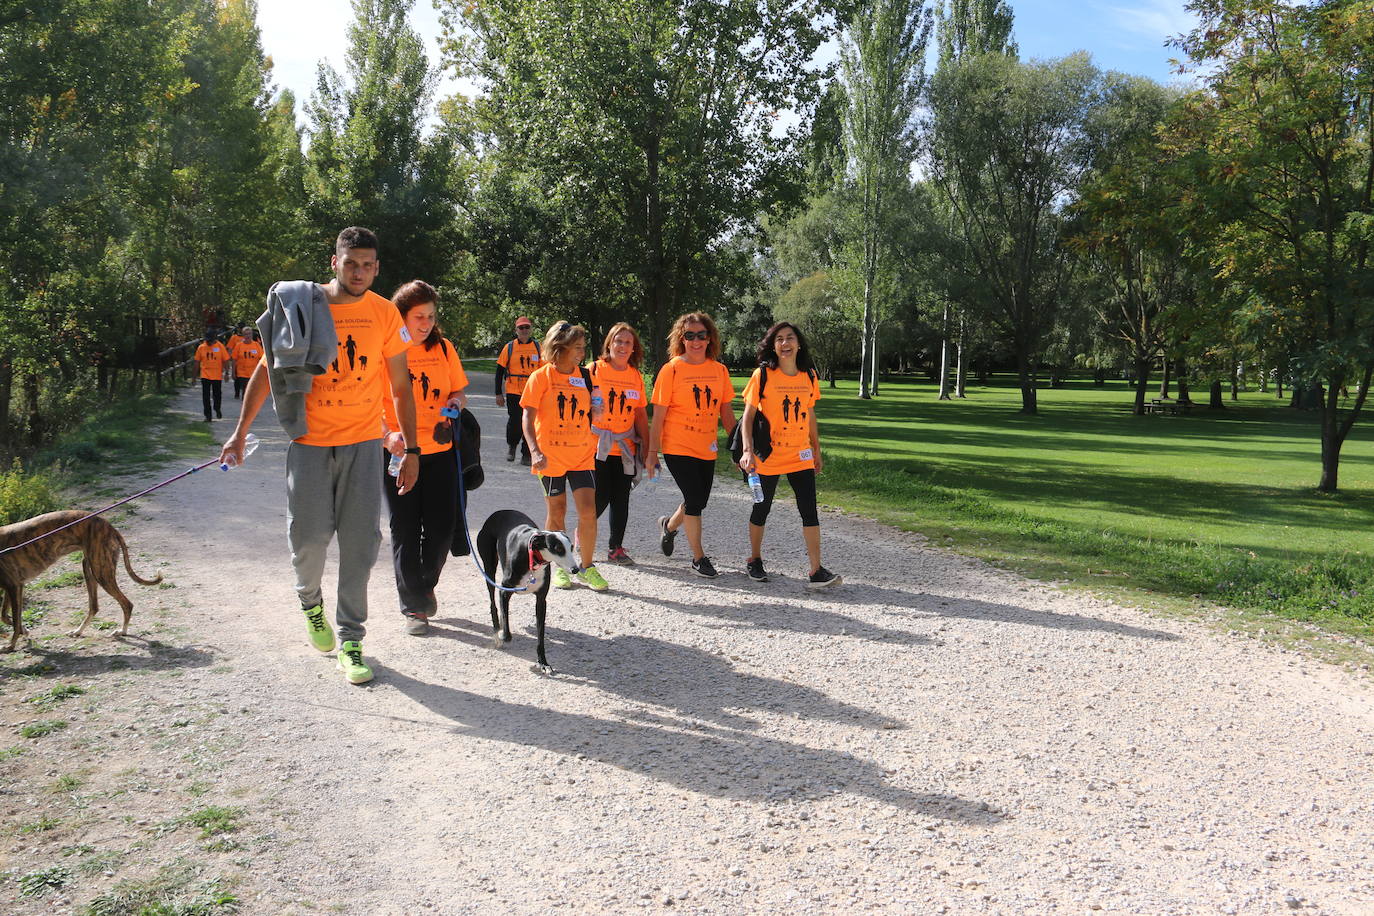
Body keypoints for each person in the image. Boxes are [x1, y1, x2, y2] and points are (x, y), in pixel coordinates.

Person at [219, 226, 419, 686]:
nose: (360, 272)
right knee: (308, 541)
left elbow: (401, 387)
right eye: (351, 263)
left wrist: (411, 447)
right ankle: (310, 603)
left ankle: (351, 639)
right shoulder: (303, 306)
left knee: (361, 546)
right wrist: (238, 433)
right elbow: (267, 370)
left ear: (377, 267)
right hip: (309, 443)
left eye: (368, 265)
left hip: (364, 444)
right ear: (335, 262)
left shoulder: (385, 314)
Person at [380, 280, 468, 635]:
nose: (427, 323)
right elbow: (368, 403)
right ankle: (414, 607)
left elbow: (459, 390)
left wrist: (455, 406)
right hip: (398, 453)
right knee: (404, 528)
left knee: (441, 528)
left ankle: (424, 584)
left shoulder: (444, 348)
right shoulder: (383, 351)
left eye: (431, 316)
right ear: (401, 317)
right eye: (419, 316)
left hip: (440, 452)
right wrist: (388, 436)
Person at [737, 322, 841, 588]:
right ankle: (755, 560)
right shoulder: (762, 375)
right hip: (768, 455)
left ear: (798, 343)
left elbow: (810, 414)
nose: (785, 344)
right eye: (779, 339)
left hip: (800, 454)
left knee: (809, 511)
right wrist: (747, 451)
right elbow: (748, 418)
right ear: (773, 345)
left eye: (790, 338)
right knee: (762, 508)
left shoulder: (809, 376)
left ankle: (816, 570)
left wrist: (816, 449)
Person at [644, 312, 736, 578]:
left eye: (701, 335)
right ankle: (698, 558)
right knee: (695, 500)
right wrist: (652, 453)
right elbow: (658, 417)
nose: (696, 341)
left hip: (705, 446)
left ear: (710, 339)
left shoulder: (719, 370)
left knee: (697, 500)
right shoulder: (671, 369)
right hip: (677, 445)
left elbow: (726, 414)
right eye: (690, 335)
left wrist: (740, 447)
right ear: (681, 339)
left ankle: (669, 527)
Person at [521, 321, 609, 591]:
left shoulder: (585, 377)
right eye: (577, 348)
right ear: (560, 348)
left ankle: (587, 567)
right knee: (557, 512)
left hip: (582, 453)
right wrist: (534, 451)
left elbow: (594, 410)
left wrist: (598, 410)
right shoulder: (541, 377)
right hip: (551, 456)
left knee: (588, 511)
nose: (582, 353)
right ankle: (558, 567)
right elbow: (527, 416)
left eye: (583, 348)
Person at [589, 322, 649, 565]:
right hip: (597, 447)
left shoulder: (635, 376)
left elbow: (641, 414)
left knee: (621, 500)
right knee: (598, 499)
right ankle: (581, 542)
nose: (623, 346)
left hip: (625, 448)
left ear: (633, 348)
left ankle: (616, 548)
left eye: (628, 342)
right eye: (618, 341)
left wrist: (646, 445)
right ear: (609, 344)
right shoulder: (593, 370)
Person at [495, 316, 540, 465]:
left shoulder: (538, 348)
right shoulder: (509, 347)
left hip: (533, 390)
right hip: (514, 390)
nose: (524, 330)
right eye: (521, 328)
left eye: (527, 327)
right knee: (515, 421)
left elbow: (545, 371)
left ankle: (526, 454)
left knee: (531, 422)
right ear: (516, 330)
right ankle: (512, 446)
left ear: (531, 329)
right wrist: (498, 393)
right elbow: (499, 371)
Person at [194, 330, 231, 421]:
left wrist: (226, 373)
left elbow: (226, 360)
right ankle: (208, 416)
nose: (209, 342)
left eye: (210, 340)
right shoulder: (201, 347)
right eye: (207, 340)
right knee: (205, 396)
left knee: (217, 395)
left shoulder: (220, 346)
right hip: (205, 375)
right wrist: (194, 377)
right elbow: (197, 362)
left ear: (214, 339)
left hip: (217, 375)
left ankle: (217, 408)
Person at [230, 325, 262, 400]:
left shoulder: (256, 345)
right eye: (246, 334)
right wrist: (233, 372)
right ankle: (246, 404)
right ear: (243, 335)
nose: (248, 336)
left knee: (253, 391)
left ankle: (250, 405)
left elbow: (261, 359)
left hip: (254, 372)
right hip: (242, 372)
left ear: (252, 334)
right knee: (246, 389)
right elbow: (234, 359)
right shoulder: (239, 346)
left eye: (249, 334)